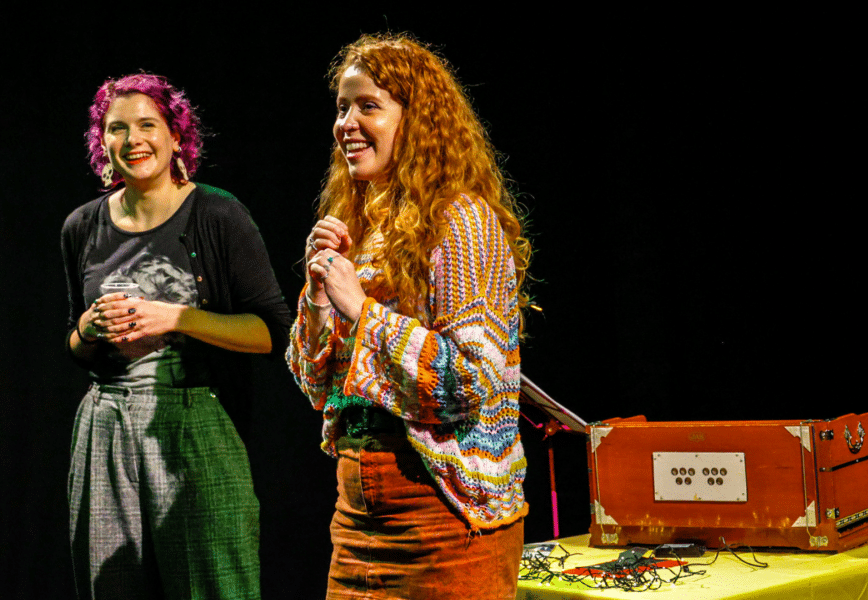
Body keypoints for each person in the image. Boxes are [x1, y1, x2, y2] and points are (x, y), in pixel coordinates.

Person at [287, 34, 533, 599]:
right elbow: (318, 389)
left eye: (368, 105)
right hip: (358, 515)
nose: (346, 122)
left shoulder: (463, 221)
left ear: (417, 119)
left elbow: (472, 382)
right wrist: (320, 295)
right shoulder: (365, 227)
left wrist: (362, 310)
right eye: (342, 106)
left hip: (446, 515)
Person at [61, 73, 290, 599]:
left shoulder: (218, 214)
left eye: (148, 125)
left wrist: (178, 318)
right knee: (110, 587)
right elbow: (72, 344)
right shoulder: (81, 226)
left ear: (175, 135)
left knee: (213, 587)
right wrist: (87, 329)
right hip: (106, 426)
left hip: (195, 423)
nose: (133, 140)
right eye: (117, 129)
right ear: (103, 143)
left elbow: (273, 332)